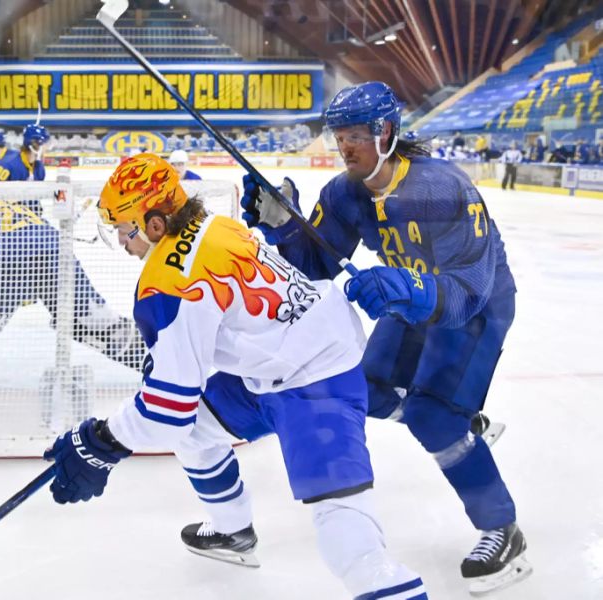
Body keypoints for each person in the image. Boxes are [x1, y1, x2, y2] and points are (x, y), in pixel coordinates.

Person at [43, 153, 428, 599]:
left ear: (152, 224)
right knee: (193, 434)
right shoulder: (217, 226)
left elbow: (168, 409)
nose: (121, 241)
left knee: (352, 548)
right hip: (282, 359)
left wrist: (101, 441)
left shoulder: (164, 286)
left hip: (317, 382)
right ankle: (233, 532)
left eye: (123, 229)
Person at [241, 81, 530, 595]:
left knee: (431, 416)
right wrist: (283, 226)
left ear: (387, 132)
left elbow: (469, 289)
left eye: (355, 134)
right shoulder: (345, 193)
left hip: (477, 306)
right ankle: (463, 421)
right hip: (411, 293)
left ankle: (502, 529)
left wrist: (407, 286)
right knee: (362, 388)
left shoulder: (442, 188)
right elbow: (315, 266)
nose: (344, 146)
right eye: (339, 136)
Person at [0, 170, 146, 390]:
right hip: (57, 255)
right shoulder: (17, 203)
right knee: (91, 320)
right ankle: (153, 359)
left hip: (6, 269)